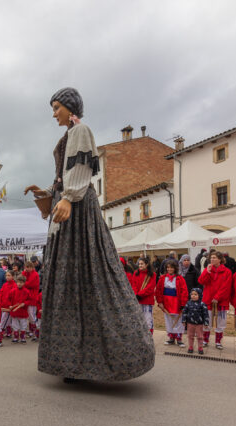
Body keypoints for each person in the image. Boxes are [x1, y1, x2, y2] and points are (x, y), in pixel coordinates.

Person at [24, 87, 154, 382]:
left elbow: (80, 170)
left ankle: (101, 357)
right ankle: (73, 361)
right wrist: (47, 193)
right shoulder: (69, 135)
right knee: (69, 281)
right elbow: (65, 174)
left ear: (70, 108)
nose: (53, 113)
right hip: (68, 205)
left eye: (57, 107)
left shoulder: (80, 131)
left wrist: (68, 197)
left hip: (79, 211)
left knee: (85, 275)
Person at [198, 251, 232, 350]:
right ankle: (205, 340)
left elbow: (226, 287)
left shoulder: (227, 271)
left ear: (220, 259)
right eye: (211, 258)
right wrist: (207, 272)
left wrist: (217, 297)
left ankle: (218, 341)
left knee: (221, 322)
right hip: (208, 299)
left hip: (221, 301)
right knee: (206, 321)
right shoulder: (208, 269)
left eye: (214, 258)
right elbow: (201, 281)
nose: (212, 259)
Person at [156, 260, 188, 346]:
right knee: (168, 320)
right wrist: (160, 302)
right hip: (166, 302)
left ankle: (179, 338)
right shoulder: (162, 278)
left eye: (171, 267)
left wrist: (183, 304)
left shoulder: (180, 278)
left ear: (175, 268)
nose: (169, 269)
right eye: (168, 267)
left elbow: (184, 291)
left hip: (176, 302)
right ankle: (171, 338)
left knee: (178, 320)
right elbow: (158, 291)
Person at [131, 257, 156, 336]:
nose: (140, 265)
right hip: (138, 299)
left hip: (147, 300)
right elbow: (133, 284)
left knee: (148, 319)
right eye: (139, 264)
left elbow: (150, 287)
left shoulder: (152, 274)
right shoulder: (136, 273)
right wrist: (136, 294)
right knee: (139, 319)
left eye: (142, 264)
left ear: (146, 264)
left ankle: (149, 336)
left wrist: (140, 294)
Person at [182, 288, 209, 354]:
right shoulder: (188, 303)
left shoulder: (202, 304)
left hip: (199, 324)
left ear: (199, 295)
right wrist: (183, 320)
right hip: (190, 323)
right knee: (190, 335)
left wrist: (206, 323)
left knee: (200, 336)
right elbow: (184, 312)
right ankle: (190, 347)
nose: (193, 296)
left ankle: (200, 347)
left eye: (195, 294)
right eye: (192, 294)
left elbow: (205, 314)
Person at [9, 274, 31, 344]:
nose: (19, 284)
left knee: (23, 325)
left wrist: (25, 303)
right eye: (18, 282)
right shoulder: (12, 291)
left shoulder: (27, 291)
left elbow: (29, 300)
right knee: (15, 325)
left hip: (23, 312)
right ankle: (15, 337)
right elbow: (9, 299)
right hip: (14, 312)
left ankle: (22, 337)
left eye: (21, 282)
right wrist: (9, 305)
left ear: (24, 283)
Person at [22, 259, 40, 340]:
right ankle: (29, 330)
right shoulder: (26, 273)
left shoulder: (35, 274)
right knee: (27, 314)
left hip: (32, 297)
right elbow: (21, 279)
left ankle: (34, 330)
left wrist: (23, 284)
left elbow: (30, 284)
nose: (27, 269)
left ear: (32, 267)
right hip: (26, 296)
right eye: (26, 267)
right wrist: (24, 273)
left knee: (31, 315)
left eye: (29, 267)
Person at [0, 270, 17, 339]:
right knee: (6, 320)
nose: (7, 277)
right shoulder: (4, 285)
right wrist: (0, 303)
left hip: (9, 306)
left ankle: (0, 331)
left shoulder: (14, 285)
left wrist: (10, 306)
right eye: (6, 275)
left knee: (4, 319)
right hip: (3, 305)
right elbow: (1, 294)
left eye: (9, 275)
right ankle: (8, 332)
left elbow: (13, 297)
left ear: (13, 277)